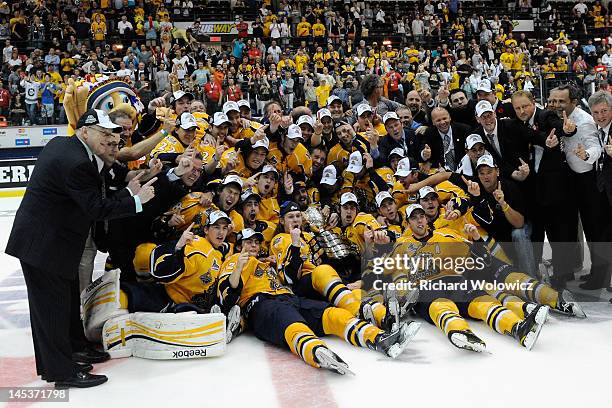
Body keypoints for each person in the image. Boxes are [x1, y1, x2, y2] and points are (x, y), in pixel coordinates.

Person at [5, 109, 157, 388]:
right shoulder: (77, 162)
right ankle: (62, 372)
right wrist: (136, 200)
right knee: (51, 310)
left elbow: (89, 193)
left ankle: (75, 347)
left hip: (53, 244)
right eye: (104, 133)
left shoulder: (68, 147)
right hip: (43, 247)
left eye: (112, 133)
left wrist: (126, 190)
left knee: (66, 302)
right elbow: (95, 208)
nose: (110, 139)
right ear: (85, 131)